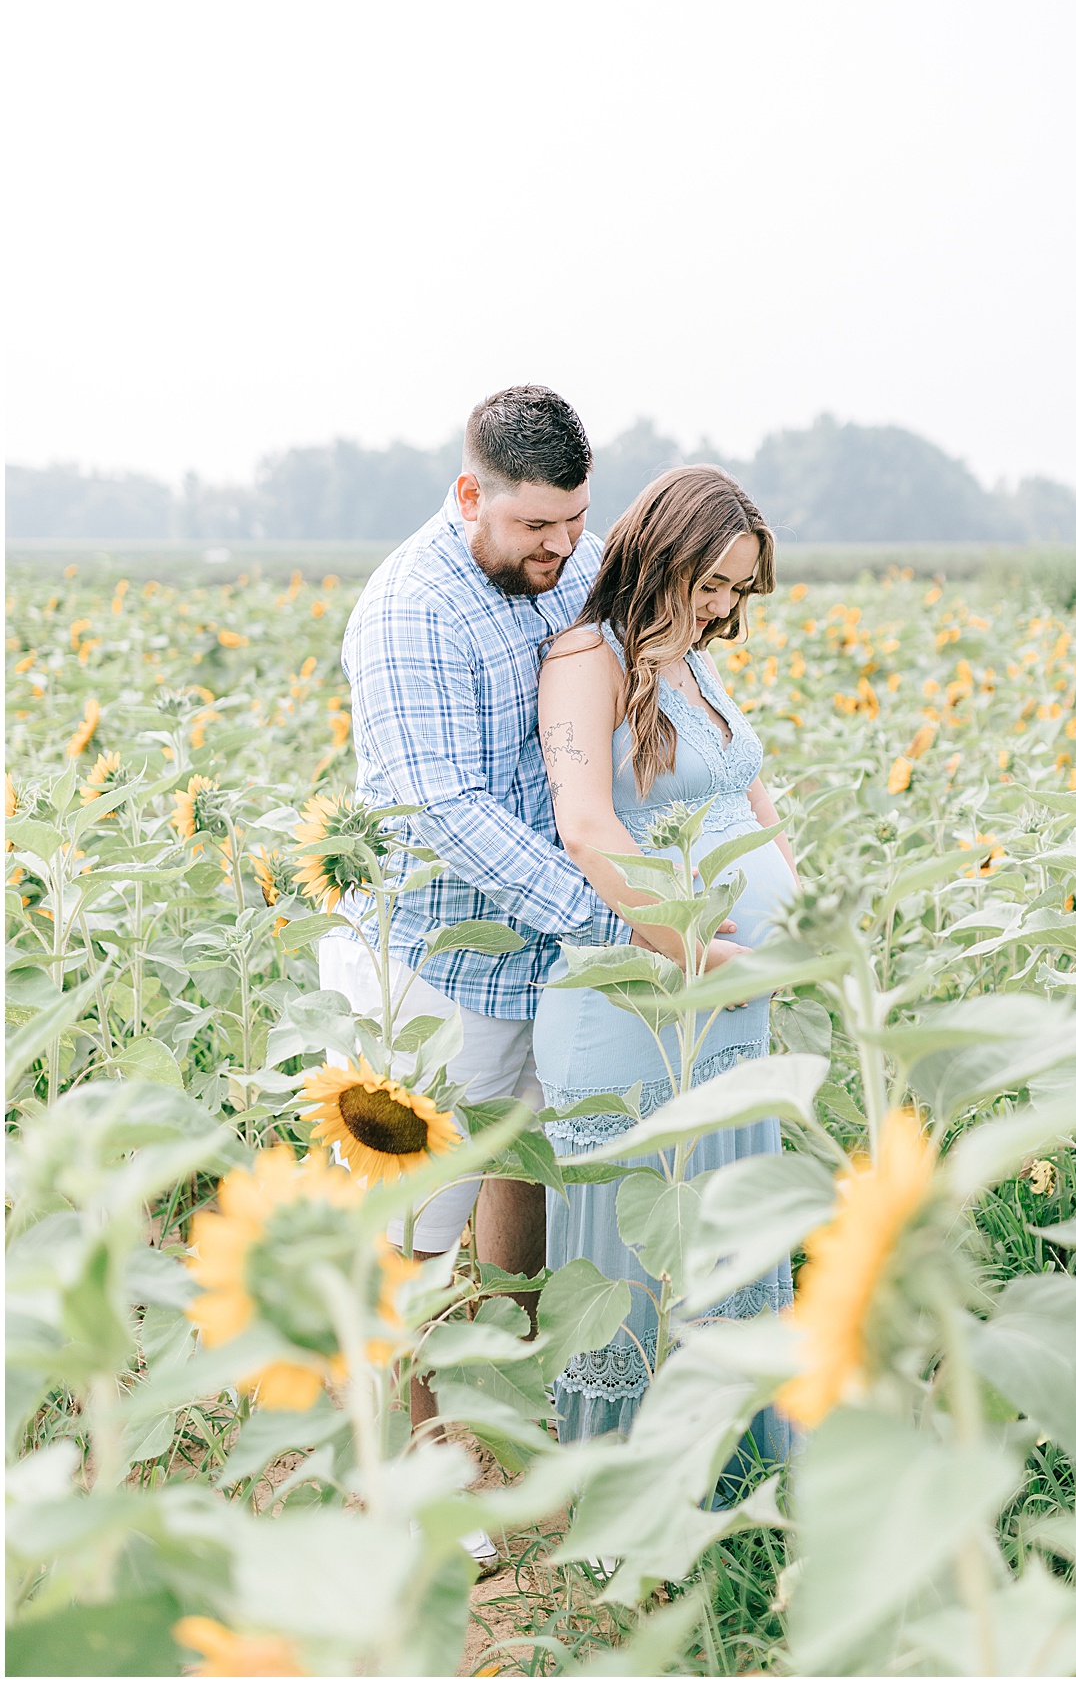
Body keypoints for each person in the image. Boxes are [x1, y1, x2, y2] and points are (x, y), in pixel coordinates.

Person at [320, 383, 614, 1565]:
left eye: (574, 522)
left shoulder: (569, 559)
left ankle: (499, 1404)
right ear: (468, 496)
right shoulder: (411, 611)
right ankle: (421, 1474)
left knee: (522, 1169)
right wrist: (608, 915)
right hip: (430, 960)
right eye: (536, 528)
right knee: (415, 1231)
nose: (560, 549)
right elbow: (445, 810)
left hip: (539, 949)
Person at [533, 466, 802, 1471]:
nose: (726, 604)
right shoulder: (585, 659)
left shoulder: (693, 658)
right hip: (642, 992)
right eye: (715, 580)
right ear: (665, 549)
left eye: (741, 588)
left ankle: (726, 1483)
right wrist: (696, 950)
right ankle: (623, 1493)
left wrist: (801, 910)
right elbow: (588, 823)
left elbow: (747, 791)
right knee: (633, 1248)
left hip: (730, 993)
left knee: (727, 1220)